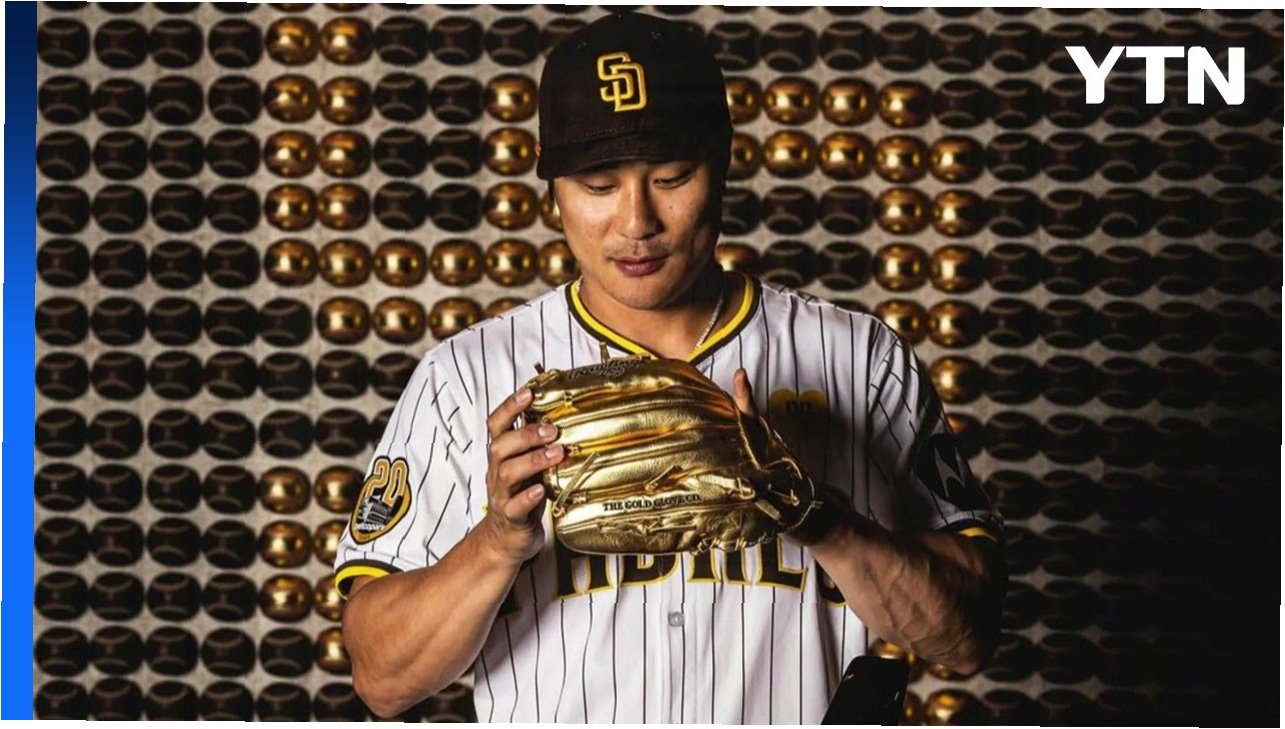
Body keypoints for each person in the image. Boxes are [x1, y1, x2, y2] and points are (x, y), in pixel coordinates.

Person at [334, 10, 1005, 724]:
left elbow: (968, 636)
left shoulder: (857, 358)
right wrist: (496, 540)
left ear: (723, 165)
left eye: (671, 176)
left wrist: (820, 518)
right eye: (599, 185)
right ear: (552, 188)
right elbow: (381, 678)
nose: (636, 222)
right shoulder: (467, 375)